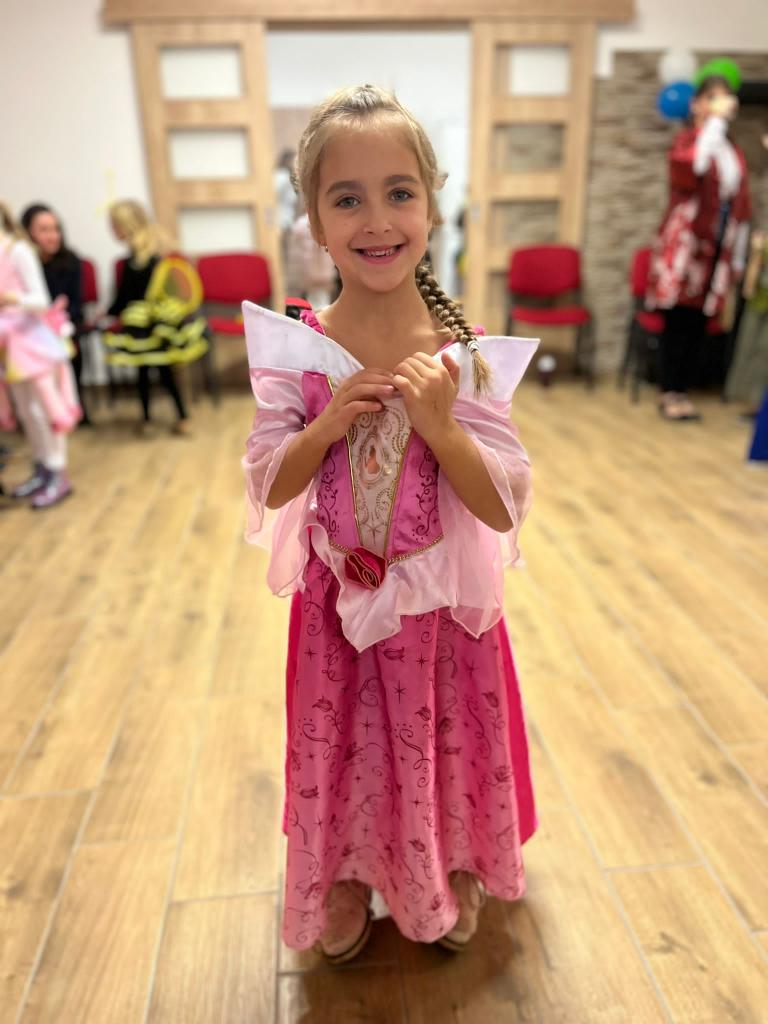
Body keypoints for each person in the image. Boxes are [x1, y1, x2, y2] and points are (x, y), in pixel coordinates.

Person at [242, 84, 538, 963]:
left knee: (443, 745)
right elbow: (269, 485)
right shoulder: (298, 350)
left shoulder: (466, 355)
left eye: (398, 192)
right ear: (314, 219)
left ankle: (449, 864)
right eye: (347, 198)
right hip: (335, 620)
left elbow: (503, 503)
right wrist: (325, 426)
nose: (376, 220)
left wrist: (442, 427)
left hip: (444, 620)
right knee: (344, 751)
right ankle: (339, 874)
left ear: (431, 205)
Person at [647, 74, 752, 421]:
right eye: (712, 98)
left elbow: (740, 200)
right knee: (677, 318)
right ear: (697, 104)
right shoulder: (688, 141)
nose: (721, 105)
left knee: (699, 320)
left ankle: (684, 390)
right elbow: (693, 169)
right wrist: (713, 124)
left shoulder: (732, 150)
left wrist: (738, 254)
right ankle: (669, 391)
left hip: (718, 244)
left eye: (725, 98)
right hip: (685, 244)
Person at [102, 199, 208, 436]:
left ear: (126, 225)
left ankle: (152, 419)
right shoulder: (156, 252)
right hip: (160, 324)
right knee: (162, 371)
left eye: (114, 225)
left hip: (148, 325)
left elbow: (126, 297)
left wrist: (109, 312)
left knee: (149, 372)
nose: (112, 230)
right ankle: (179, 417)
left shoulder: (138, 260)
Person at [0, 201, 80, 508]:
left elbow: (41, 300)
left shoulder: (18, 251)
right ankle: (42, 468)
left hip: (33, 343)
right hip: (9, 345)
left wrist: (10, 298)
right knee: (26, 412)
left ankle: (58, 472)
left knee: (45, 411)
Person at [20, 203, 91, 425]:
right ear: (28, 233)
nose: (52, 236)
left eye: (56, 229)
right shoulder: (23, 263)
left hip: (64, 325)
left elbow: (75, 303)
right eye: (44, 230)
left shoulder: (71, 261)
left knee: (67, 347)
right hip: (31, 327)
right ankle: (39, 413)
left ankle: (71, 407)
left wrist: (58, 321)